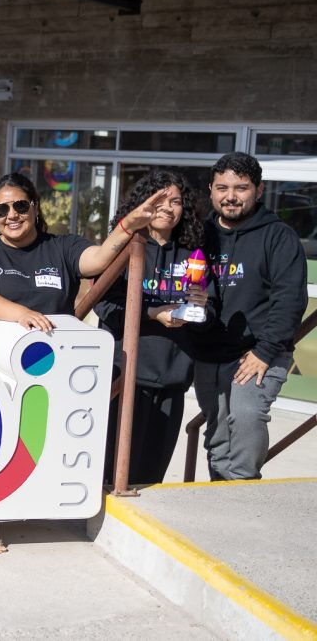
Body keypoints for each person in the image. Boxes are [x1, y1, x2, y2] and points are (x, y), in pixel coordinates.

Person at [0, 172, 171, 351]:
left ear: (35, 207)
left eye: (21, 206)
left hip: (49, 358)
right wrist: (23, 315)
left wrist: (128, 225)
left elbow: (99, 259)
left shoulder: (63, 246)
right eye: (2, 210)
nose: (12, 215)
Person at [194, 152, 307, 481]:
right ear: (211, 190)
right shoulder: (200, 235)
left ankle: (243, 490)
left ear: (258, 190)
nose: (230, 196)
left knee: (246, 416)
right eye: (222, 188)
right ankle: (220, 493)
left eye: (240, 188)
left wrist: (265, 351)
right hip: (210, 351)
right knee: (216, 434)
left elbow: (290, 299)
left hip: (257, 352)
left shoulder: (278, 236)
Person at [95, 171, 208, 484]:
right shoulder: (123, 247)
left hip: (172, 377)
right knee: (110, 473)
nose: (168, 208)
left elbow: (207, 316)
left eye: (176, 201)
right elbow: (105, 306)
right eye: (160, 200)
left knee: (150, 478)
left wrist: (200, 307)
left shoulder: (193, 254)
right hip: (125, 375)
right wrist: (154, 313)